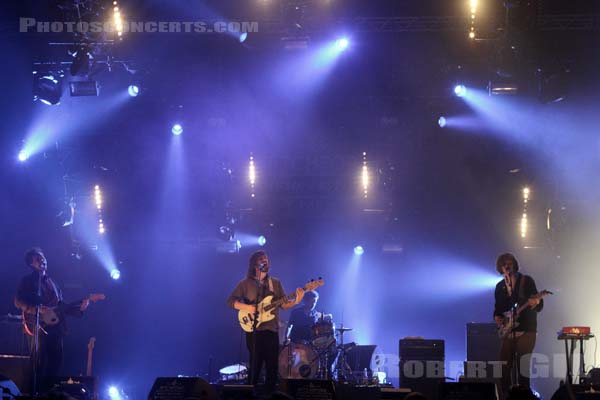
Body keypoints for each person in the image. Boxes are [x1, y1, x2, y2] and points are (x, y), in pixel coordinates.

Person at [227, 250, 304, 393]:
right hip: (253, 330)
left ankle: (269, 394)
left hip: (271, 329)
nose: (266, 260)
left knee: (272, 366)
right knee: (255, 365)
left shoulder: (275, 282)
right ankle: (249, 394)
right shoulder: (245, 283)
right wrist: (248, 307)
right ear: (255, 264)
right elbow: (230, 302)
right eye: (262, 258)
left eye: (267, 258)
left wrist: (296, 300)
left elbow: (283, 304)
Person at [14, 248, 90, 378]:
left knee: (56, 361)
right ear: (31, 264)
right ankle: (34, 393)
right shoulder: (27, 281)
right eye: (37, 258)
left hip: (55, 327)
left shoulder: (53, 283)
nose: (42, 260)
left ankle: (49, 391)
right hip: (37, 325)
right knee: (38, 361)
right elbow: (18, 301)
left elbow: (60, 307)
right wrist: (36, 309)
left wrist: (80, 309)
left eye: (42, 257)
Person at [493, 253, 543, 399]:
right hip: (508, 331)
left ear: (514, 264)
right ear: (501, 268)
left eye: (509, 263)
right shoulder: (500, 287)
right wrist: (498, 318)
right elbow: (498, 309)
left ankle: (524, 397)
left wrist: (536, 303)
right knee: (503, 367)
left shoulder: (526, 281)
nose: (507, 266)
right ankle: (505, 396)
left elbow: (539, 306)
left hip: (527, 330)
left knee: (523, 367)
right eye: (504, 264)